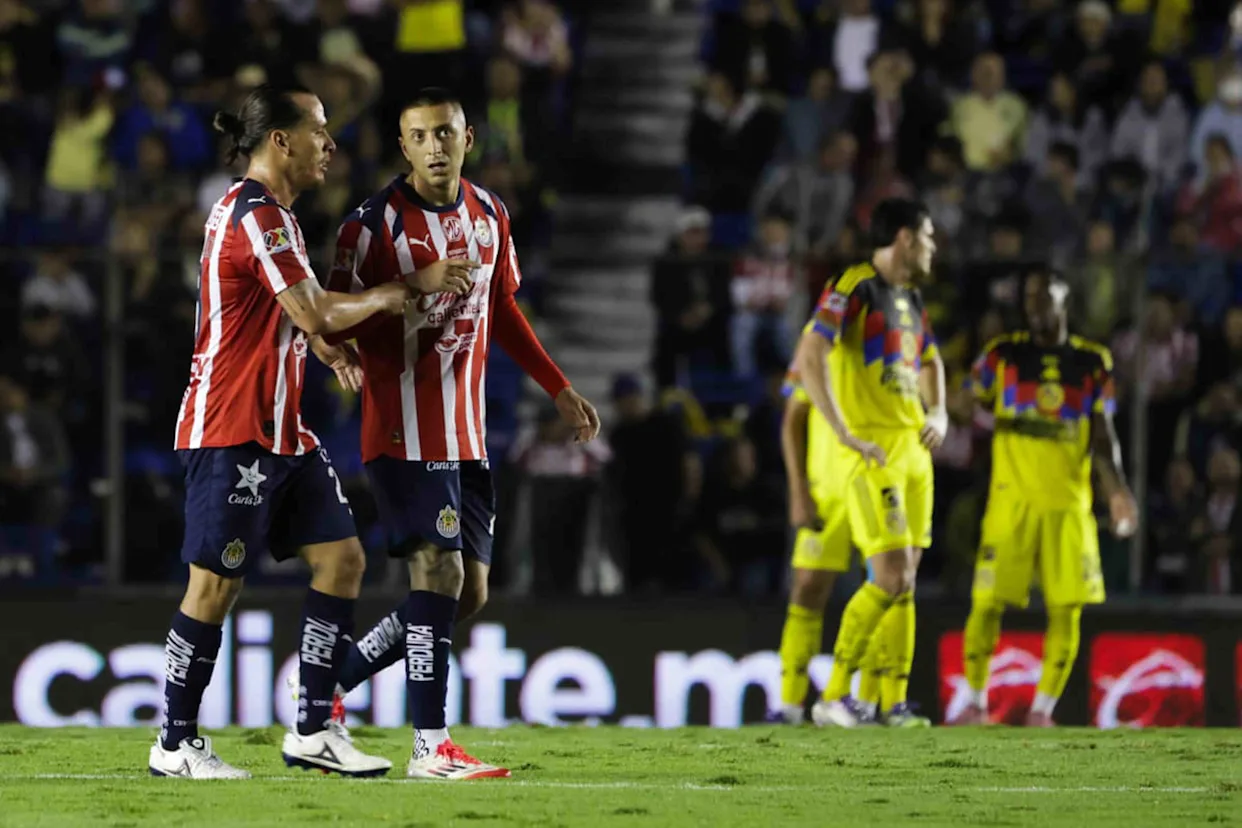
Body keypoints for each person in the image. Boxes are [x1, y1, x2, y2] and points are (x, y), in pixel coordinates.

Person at [308, 87, 600, 779]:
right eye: (420, 136)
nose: (434, 146)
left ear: (468, 139)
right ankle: (430, 746)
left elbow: (501, 310)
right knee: (437, 572)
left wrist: (557, 386)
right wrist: (413, 286)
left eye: (445, 133)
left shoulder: (491, 214)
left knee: (468, 594)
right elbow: (326, 314)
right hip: (402, 430)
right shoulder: (369, 227)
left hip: (467, 434)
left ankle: (329, 684)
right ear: (403, 147)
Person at [149, 84, 411, 780]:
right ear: (281, 140)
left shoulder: (275, 216)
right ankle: (174, 743)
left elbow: (291, 312)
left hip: (283, 431)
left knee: (343, 559)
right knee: (215, 586)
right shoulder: (256, 213)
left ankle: (314, 730)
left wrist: (318, 341)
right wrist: (397, 293)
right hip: (231, 426)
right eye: (319, 130)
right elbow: (313, 309)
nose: (330, 144)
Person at [951, 270, 1137, 726]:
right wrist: (941, 395)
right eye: (1029, 298)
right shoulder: (1001, 355)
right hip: (1011, 501)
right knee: (986, 602)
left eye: (1043, 297)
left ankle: (1041, 711)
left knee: (1066, 608)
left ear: (1064, 301)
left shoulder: (1093, 362)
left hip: (1067, 505)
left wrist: (1117, 492)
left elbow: (1103, 436)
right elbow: (964, 402)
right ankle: (975, 702)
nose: (1034, 306)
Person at [794, 198, 947, 728]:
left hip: (913, 451)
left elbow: (930, 360)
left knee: (906, 581)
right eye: (928, 236)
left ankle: (892, 703)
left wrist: (939, 413)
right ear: (905, 237)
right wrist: (843, 431)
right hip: (874, 451)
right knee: (890, 576)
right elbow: (811, 354)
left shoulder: (911, 299)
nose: (933, 246)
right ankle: (835, 695)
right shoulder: (854, 285)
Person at [772, 303, 916, 726]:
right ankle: (790, 704)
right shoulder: (815, 341)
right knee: (808, 586)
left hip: (876, 479)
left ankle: (869, 702)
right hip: (828, 486)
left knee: (883, 584)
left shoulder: (889, 341)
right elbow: (793, 419)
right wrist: (798, 490)